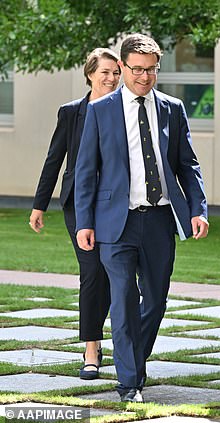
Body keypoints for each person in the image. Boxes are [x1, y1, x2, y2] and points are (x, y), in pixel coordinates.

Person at [74, 34, 209, 403]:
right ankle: (129, 382)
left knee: (154, 301)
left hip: (159, 220)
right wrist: (84, 222)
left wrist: (198, 209)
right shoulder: (101, 110)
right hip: (114, 224)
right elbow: (86, 171)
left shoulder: (172, 108)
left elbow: (187, 163)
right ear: (122, 67)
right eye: (136, 70)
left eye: (151, 70)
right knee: (122, 300)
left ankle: (133, 358)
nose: (144, 77)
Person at [29, 48, 120, 380]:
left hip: (116, 205)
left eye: (115, 73)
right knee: (93, 271)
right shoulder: (71, 113)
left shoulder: (125, 110)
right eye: (104, 72)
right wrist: (39, 205)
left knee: (114, 273)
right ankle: (92, 347)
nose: (111, 79)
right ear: (90, 74)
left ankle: (117, 341)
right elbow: (54, 159)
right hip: (77, 205)